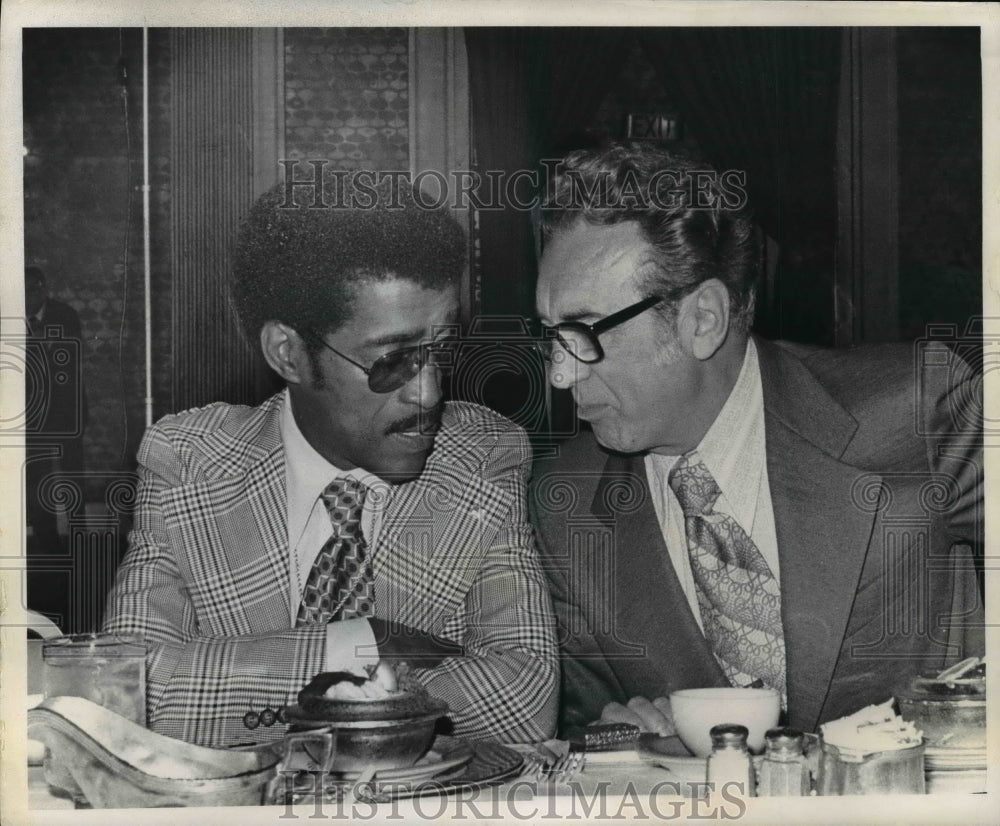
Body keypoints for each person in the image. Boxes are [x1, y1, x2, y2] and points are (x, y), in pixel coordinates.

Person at [529, 142, 984, 738]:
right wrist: (618, 737)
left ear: (703, 320)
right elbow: (584, 728)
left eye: (582, 334)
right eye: (550, 336)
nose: (560, 374)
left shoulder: (918, 410)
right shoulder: (563, 500)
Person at [102, 183, 557, 748]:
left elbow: (524, 701)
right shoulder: (189, 463)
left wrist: (234, 675)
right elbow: (122, 694)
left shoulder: (483, 455)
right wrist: (359, 643)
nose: (429, 393)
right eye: (393, 359)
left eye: (442, 350)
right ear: (288, 353)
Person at [24, 265, 87, 555]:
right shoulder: (12, 319)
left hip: (66, 412)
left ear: (44, 288)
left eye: (34, 289)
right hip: (33, 416)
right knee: (37, 477)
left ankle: (79, 534)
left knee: (73, 473)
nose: (29, 296)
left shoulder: (64, 315)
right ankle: (45, 538)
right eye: (24, 290)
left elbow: (69, 362)